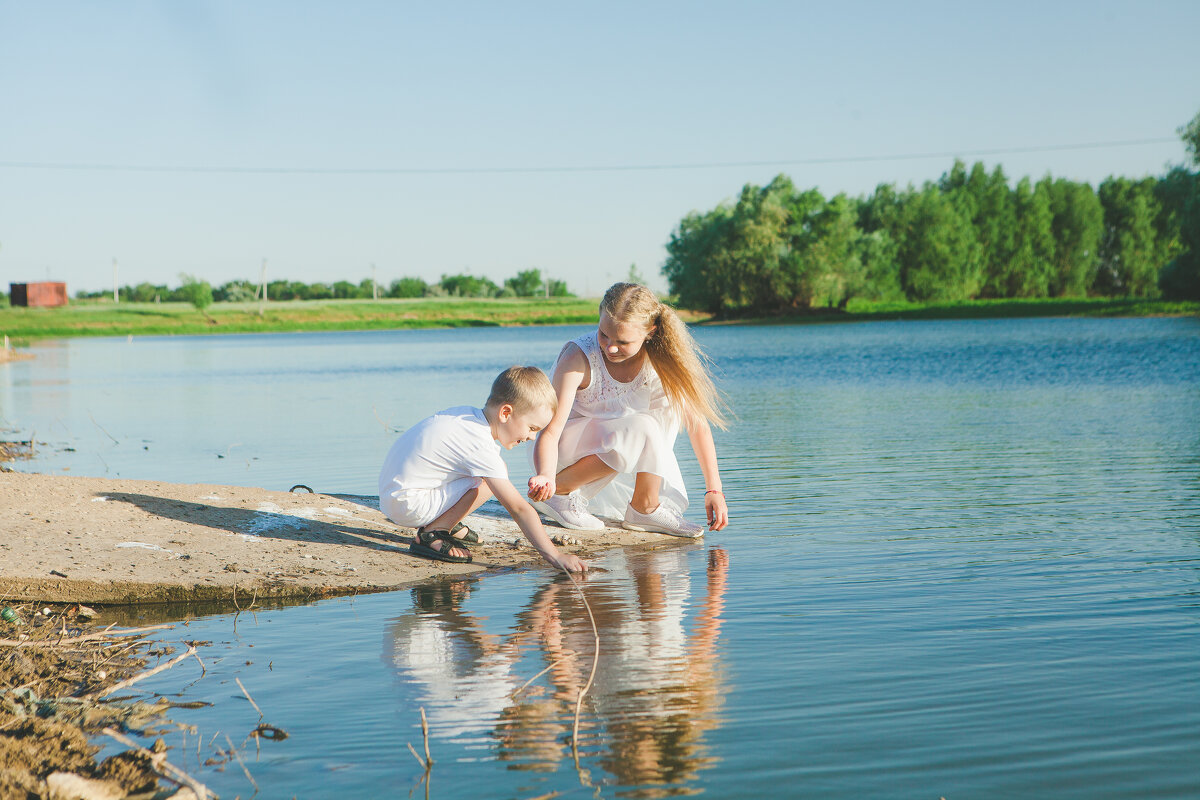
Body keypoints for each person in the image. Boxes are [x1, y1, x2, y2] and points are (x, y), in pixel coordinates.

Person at [528, 282, 729, 537]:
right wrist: (546, 475)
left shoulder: (660, 358)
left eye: (622, 341)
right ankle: (558, 493)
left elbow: (696, 423)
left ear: (650, 332)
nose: (610, 347)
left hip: (620, 451)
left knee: (671, 406)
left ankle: (644, 506)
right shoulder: (578, 357)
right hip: (563, 455)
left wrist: (714, 490)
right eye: (603, 334)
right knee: (641, 427)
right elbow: (550, 430)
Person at [379, 366, 587, 572]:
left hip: (395, 495)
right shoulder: (480, 444)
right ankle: (434, 531)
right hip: (408, 506)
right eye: (532, 428)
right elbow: (518, 508)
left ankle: (446, 520)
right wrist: (555, 555)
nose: (531, 437)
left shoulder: (466, 416)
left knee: (493, 472)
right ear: (506, 412)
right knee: (491, 479)